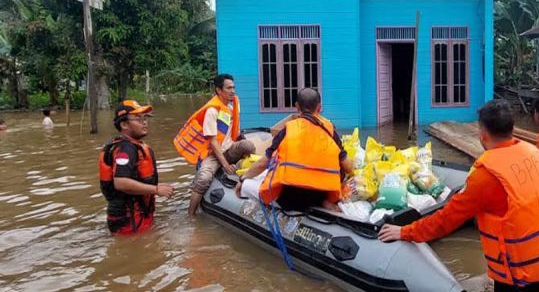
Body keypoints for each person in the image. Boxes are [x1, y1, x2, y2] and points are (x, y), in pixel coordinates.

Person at [378, 99, 539, 292]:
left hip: (519, 286)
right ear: (512, 129)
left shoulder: (486, 178)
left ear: (482, 134)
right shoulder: (534, 154)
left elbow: (444, 220)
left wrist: (404, 231)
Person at [237, 88, 353, 212]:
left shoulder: (288, 130)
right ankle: (326, 202)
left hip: (290, 198)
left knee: (244, 186)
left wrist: (242, 179)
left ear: (297, 107)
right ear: (319, 108)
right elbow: (348, 167)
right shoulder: (330, 131)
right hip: (321, 195)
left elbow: (262, 164)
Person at [175, 73, 256, 216]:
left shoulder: (230, 107)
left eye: (234, 87)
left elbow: (234, 133)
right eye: (229, 88)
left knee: (248, 146)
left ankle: (239, 167)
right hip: (212, 153)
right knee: (204, 179)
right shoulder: (212, 111)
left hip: (229, 148)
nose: (233, 91)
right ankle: (190, 214)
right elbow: (212, 142)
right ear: (219, 90)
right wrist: (225, 164)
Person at [99, 100, 175, 234]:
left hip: (136, 215)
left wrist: (154, 187)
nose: (144, 122)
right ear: (124, 124)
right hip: (129, 219)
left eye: (145, 118)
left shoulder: (132, 146)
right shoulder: (125, 148)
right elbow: (121, 183)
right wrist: (156, 189)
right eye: (138, 118)